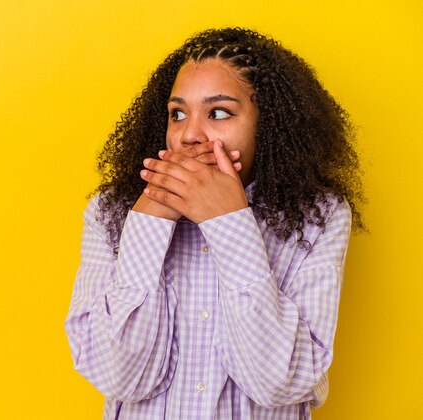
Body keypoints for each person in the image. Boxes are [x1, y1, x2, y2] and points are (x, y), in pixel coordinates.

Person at [65, 27, 364, 419]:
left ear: (267, 126)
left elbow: (279, 384)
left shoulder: (318, 217)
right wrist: (149, 219)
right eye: (177, 114)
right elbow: (120, 377)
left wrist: (230, 223)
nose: (190, 135)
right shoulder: (110, 212)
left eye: (219, 112)